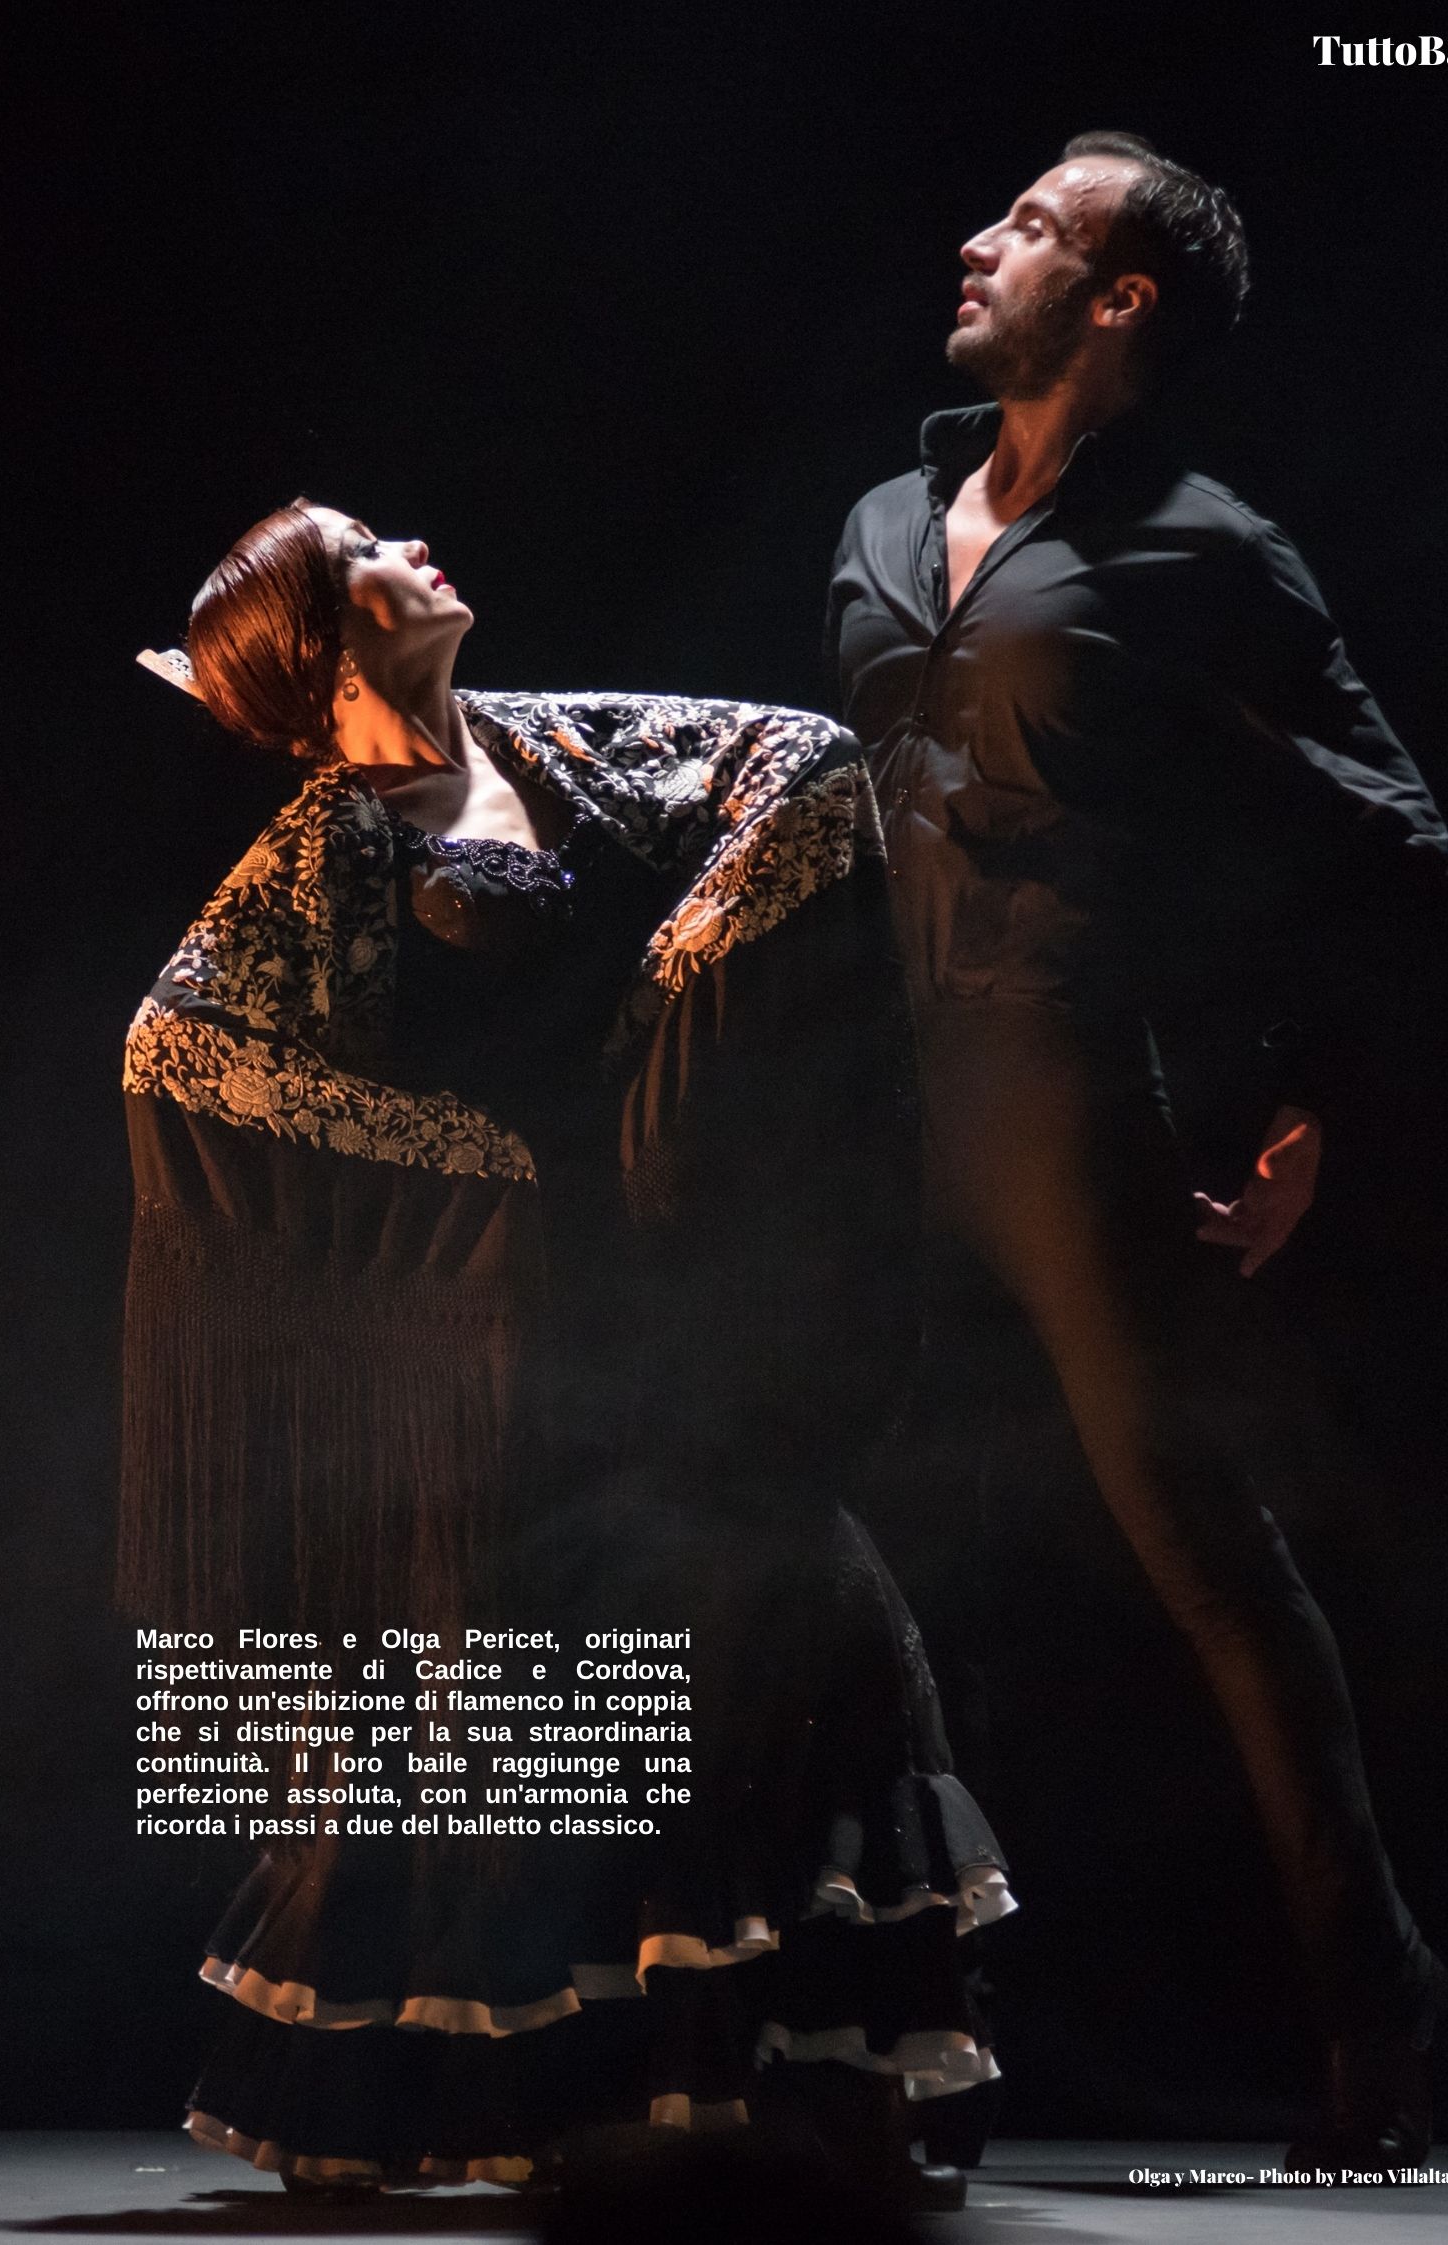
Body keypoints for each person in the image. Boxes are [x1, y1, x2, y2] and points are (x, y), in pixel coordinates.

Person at [119, 500, 1013, 2201]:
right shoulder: (328, 844)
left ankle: (772, 2073)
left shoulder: (556, 744)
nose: (414, 545)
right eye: (365, 545)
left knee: (801, 1614)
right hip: (511, 1363)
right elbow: (181, 1051)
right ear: (322, 642)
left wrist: (695, 957)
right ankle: (528, 2084)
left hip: (659, 1319)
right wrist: (477, 1169)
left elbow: (803, 761)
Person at [825, 131, 1448, 2169]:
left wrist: (1301, 1110)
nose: (975, 238)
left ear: (1119, 301)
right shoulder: (883, 519)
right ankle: (885, 2033)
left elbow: (1387, 831)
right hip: (867, 1114)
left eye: (1027, 226)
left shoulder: (1204, 549)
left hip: (1065, 1104)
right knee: (849, 1563)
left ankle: (1376, 2010)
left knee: (1202, 1556)